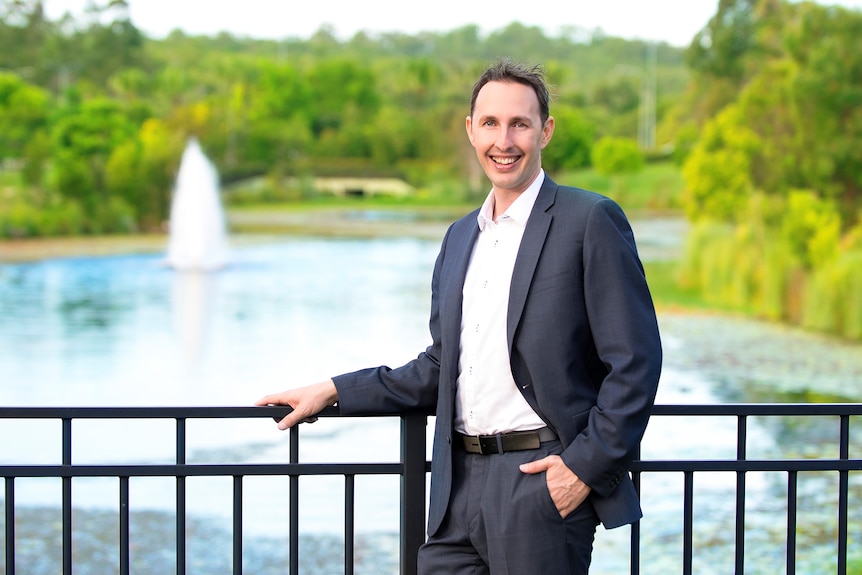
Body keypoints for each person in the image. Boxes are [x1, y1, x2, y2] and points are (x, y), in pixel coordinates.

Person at [256, 59, 662, 574]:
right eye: (490, 123)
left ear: (546, 131)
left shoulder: (589, 221)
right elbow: (440, 366)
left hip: (539, 482)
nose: (504, 140)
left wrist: (582, 470)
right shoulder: (458, 237)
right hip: (455, 489)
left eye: (520, 123)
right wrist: (334, 389)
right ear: (471, 130)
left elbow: (636, 361)